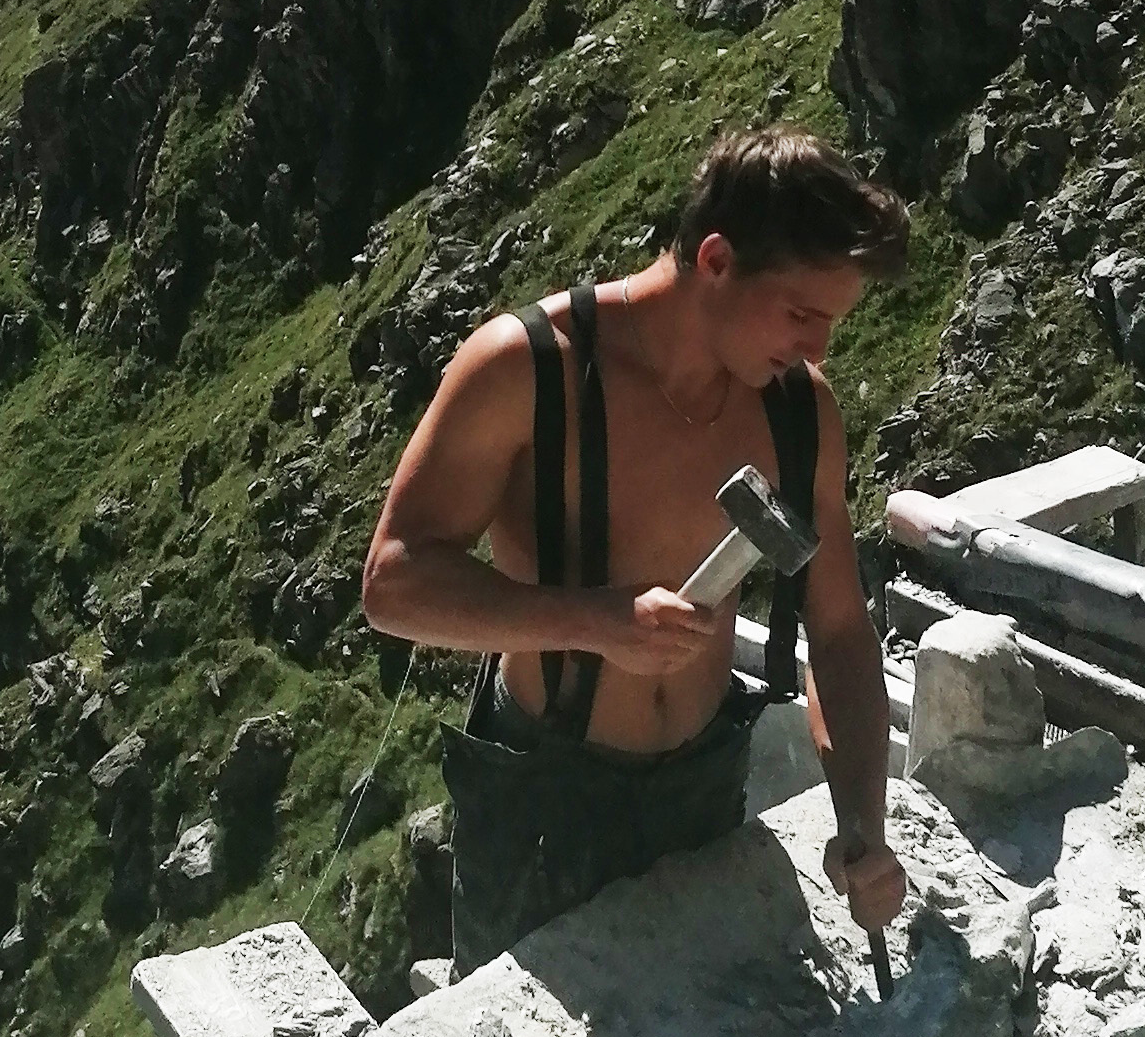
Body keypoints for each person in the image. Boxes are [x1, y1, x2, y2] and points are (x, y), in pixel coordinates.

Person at [362, 124, 913, 973]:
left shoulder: (799, 414)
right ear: (718, 260)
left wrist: (863, 828)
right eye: (802, 313)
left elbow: (838, 636)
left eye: (831, 322)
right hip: (545, 801)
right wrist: (592, 622)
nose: (816, 348)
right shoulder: (528, 369)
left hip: (704, 785)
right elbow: (393, 584)